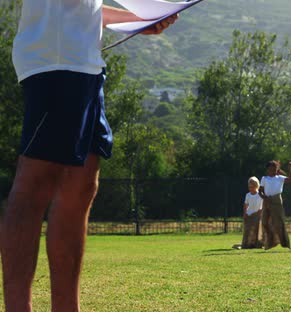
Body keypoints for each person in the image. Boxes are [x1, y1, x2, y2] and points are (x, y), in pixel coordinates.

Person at [0, 2, 177, 311]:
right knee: (33, 187)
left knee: (81, 187)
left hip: (85, 64)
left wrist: (137, 19)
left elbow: (86, 7)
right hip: (56, 59)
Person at [259, 160, 291, 250]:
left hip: (277, 201)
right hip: (267, 200)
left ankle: (285, 243)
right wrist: (264, 197)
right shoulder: (264, 178)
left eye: (274, 169)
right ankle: (270, 242)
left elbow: (289, 179)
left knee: (279, 223)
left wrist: (289, 169)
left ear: (277, 169)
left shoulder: (280, 178)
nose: (272, 171)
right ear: (267, 170)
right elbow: (260, 190)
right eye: (270, 169)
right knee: (265, 222)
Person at [239, 177, 264, 249]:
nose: (250, 188)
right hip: (249, 214)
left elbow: (264, 205)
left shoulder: (260, 195)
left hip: (258, 215)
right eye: (249, 187)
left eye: (252, 187)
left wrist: (261, 210)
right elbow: (246, 205)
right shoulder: (248, 195)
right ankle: (247, 243)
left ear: (257, 186)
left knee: (257, 230)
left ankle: (258, 244)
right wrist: (245, 214)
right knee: (248, 230)